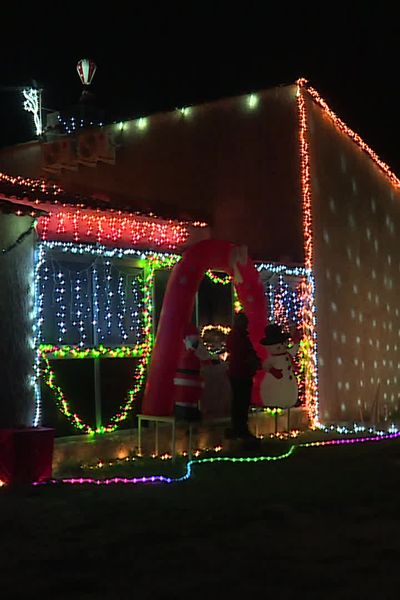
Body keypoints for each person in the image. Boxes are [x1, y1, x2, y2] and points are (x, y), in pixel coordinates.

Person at [225, 311, 261, 440]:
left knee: (239, 402)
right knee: (241, 402)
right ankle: (240, 428)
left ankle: (239, 428)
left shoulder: (237, 335)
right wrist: (251, 360)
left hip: (239, 373)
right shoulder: (238, 336)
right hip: (241, 374)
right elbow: (242, 353)